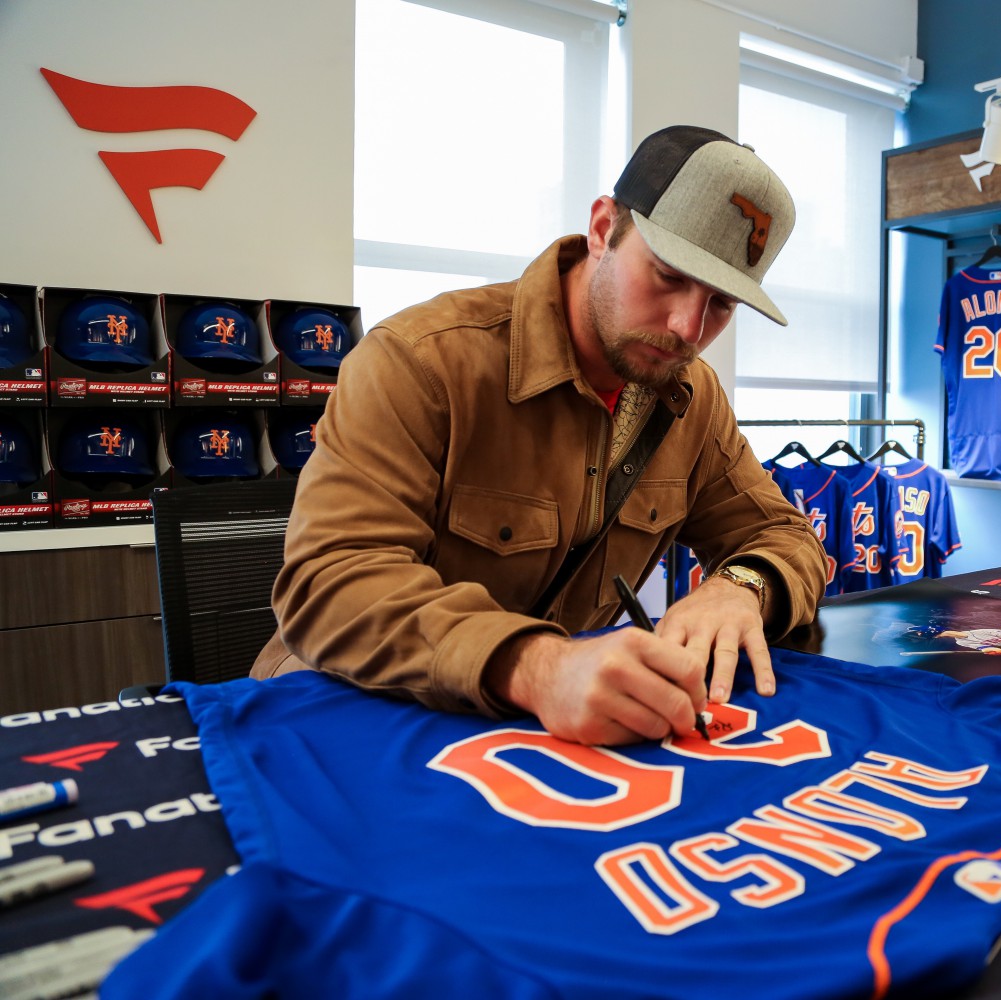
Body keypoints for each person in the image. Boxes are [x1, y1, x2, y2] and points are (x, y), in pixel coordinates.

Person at [252, 125, 827, 746]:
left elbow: (783, 533)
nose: (687, 328)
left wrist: (741, 587)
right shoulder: (421, 362)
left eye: (721, 304)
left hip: (548, 741)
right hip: (349, 719)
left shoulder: (693, 398)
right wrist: (537, 666)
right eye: (667, 275)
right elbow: (331, 580)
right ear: (603, 230)